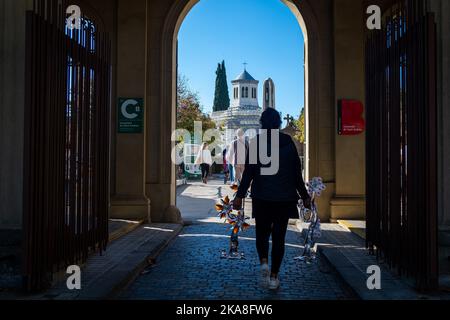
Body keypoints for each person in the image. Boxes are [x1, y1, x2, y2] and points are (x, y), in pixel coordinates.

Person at [233, 108, 311, 291]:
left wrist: (239, 196)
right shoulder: (288, 142)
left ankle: (264, 262)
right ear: (278, 123)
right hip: (284, 199)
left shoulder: (256, 142)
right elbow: (296, 174)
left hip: (262, 198)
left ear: (262, 123)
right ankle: (274, 277)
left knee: (262, 234)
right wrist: (305, 196)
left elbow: (249, 174)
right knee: (279, 238)